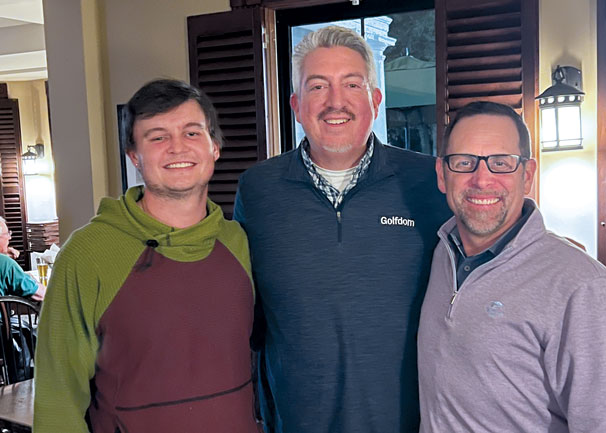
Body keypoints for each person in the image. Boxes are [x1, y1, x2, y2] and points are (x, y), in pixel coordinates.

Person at [234, 26, 452, 433]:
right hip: (296, 422)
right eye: (318, 87)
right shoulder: (258, 190)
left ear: (375, 99)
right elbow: (244, 310)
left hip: (412, 422)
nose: (336, 102)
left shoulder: (428, 182)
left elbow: (478, 261)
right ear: (297, 105)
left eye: (352, 84)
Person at [34, 79, 260, 433]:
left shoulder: (238, 243)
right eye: (157, 137)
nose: (176, 148)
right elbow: (57, 398)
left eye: (191, 133)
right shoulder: (88, 253)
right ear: (134, 156)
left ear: (214, 147)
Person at [418, 101, 606, 433]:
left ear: (527, 176)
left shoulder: (581, 286)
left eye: (501, 163)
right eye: (464, 162)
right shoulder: (441, 252)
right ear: (442, 175)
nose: (482, 179)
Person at [0, 216, 45, 301]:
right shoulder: (5, 263)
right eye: (7, 234)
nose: (10, 238)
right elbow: (40, 294)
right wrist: (33, 280)